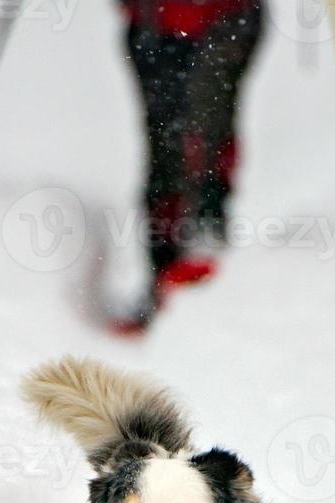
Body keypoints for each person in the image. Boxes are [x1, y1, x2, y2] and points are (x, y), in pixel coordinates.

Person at [115, 0, 264, 332]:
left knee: (203, 130)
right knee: (166, 147)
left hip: (223, 18)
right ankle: (164, 276)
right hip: (153, 23)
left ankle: (202, 250)